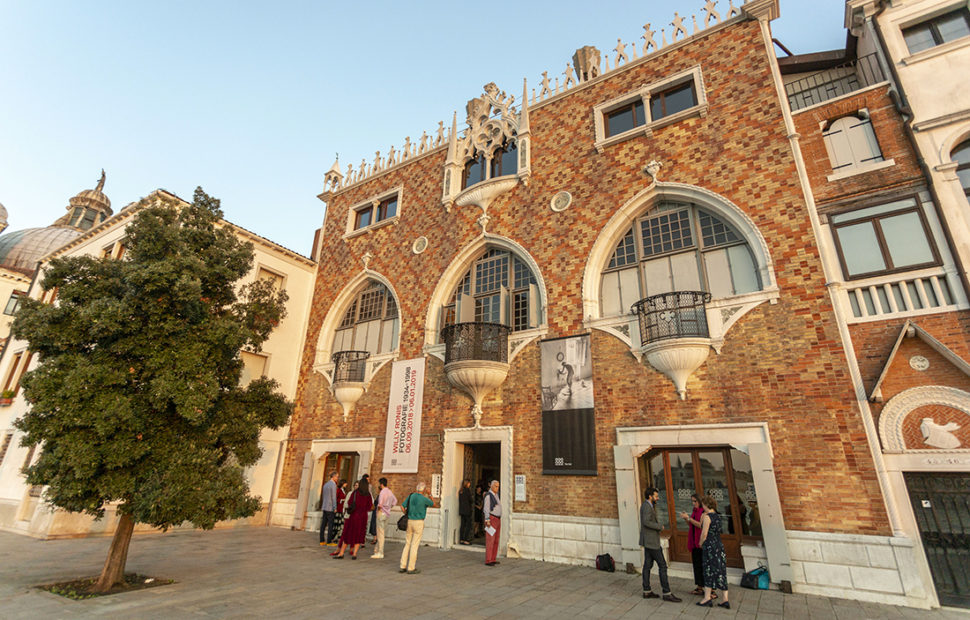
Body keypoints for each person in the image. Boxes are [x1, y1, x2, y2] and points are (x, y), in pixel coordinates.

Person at [640, 487, 681, 602]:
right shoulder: (647, 506)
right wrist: (659, 527)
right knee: (662, 566)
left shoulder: (648, 505)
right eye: (656, 496)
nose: (657, 498)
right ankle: (667, 592)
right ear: (650, 496)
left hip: (649, 541)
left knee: (647, 566)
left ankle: (646, 591)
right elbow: (646, 522)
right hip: (652, 542)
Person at [697, 495, 730, 609]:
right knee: (721, 570)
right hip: (719, 545)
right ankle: (725, 599)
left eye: (703, 504)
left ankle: (707, 598)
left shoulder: (707, 517)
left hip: (710, 547)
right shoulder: (717, 516)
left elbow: (704, 533)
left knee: (708, 570)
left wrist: (700, 543)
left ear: (706, 505)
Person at [399, 482, 437, 574]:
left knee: (407, 543)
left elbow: (402, 506)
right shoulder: (424, 499)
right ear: (424, 490)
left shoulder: (411, 496)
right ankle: (411, 568)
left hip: (409, 521)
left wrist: (406, 514)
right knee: (414, 545)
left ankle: (402, 566)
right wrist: (430, 494)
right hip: (419, 522)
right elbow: (434, 504)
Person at [334, 476, 373, 559]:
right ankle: (354, 553)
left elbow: (349, 502)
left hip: (354, 516)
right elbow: (370, 507)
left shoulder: (355, 493)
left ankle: (341, 553)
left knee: (348, 534)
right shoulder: (368, 495)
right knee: (359, 535)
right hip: (363, 517)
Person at [679, 493, 707, 596]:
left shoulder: (703, 512)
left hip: (701, 542)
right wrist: (686, 518)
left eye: (695, 501)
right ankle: (699, 587)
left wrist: (689, 519)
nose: (693, 503)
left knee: (704, 565)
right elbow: (691, 524)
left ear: (700, 501)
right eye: (692, 501)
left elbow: (701, 525)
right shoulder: (694, 511)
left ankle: (710, 588)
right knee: (697, 565)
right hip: (694, 542)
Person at [371, 477, 397, 559]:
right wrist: (389, 507)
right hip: (387, 514)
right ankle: (377, 549)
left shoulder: (382, 492)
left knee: (380, 533)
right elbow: (395, 501)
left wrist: (379, 509)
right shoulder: (390, 492)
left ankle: (380, 552)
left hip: (381, 513)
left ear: (381, 484)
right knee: (382, 532)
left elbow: (380, 504)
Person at [483, 479, 503, 566]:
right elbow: (486, 508)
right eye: (495, 486)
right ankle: (488, 560)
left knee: (496, 540)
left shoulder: (496, 495)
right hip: (491, 518)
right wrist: (487, 519)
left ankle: (493, 558)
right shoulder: (488, 495)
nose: (497, 488)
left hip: (498, 519)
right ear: (491, 486)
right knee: (490, 540)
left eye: (498, 486)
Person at [329, 478, 349, 555]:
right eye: (345, 484)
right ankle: (334, 537)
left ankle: (338, 537)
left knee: (340, 524)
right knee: (336, 524)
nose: (346, 485)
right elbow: (335, 499)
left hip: (342, 509)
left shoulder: (343, 491)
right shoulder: (338, 490)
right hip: (338, 508)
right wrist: (342, 500)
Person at [319, 471, 338, 547]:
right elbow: (333, 497)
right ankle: (329, 541)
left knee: (323, 524)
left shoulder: (325, 484)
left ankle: (322, 540)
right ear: (333, 477)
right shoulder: (333, 485)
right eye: (336, 476)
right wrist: (335, 507)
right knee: (330, 525)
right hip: (330, 508)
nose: (337, 478)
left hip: (325, 506)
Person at [458, 479, 473, 545]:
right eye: (469, 483)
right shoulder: (467, 490)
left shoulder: (461, 491)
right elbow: (471, 500)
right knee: (468, 525)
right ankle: (466, 540)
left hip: (462, 510)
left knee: (462, 525)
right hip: (467, 510)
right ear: (467, 483)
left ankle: (461, 539)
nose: (470, 484)